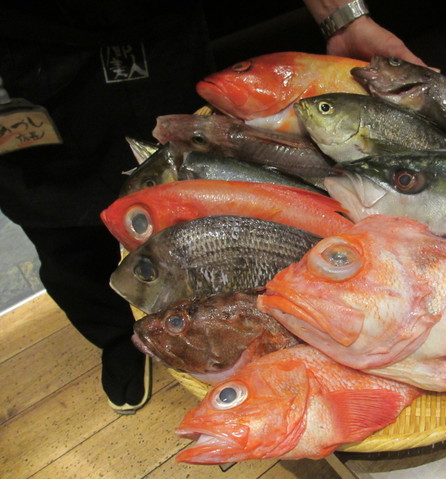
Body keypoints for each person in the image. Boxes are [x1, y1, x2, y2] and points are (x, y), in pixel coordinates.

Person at [0, 0, 423, 414]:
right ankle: (115, 338)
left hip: (159, 34)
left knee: (196, 161)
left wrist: (341, 17)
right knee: (64, 238)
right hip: (26, 63)